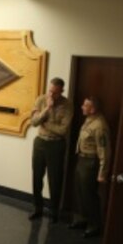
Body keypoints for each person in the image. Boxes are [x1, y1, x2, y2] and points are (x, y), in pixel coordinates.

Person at [29, 77, 73, 223]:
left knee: (55, 180)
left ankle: (54, 211)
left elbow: (62, 130)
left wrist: (45, 123)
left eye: (55, 92)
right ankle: (37, 208)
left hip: (56, 145)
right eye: (50, 91)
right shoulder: (41, 100)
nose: (51, 95)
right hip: (40, 143)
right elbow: (34, 122)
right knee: (37, 177)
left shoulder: (67, 105)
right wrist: (47, 108)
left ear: (61, 91)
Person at [69, 97, 111, 238]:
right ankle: (82, 219)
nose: (82, 107)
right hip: (82, 159)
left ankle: (94, 225)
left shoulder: (99, 125)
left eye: (85, 105)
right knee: (80, 191)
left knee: (89, 195)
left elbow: (104, 150)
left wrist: (102, 173)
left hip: (91, 162)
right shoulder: (89, 120)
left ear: (92, 109)